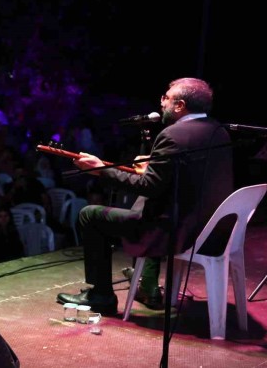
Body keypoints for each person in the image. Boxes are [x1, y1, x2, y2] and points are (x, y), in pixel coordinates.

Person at [56, 78, 234, 316]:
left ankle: (102, 296)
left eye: (166, 97)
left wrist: (102, 170)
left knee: (90, 215)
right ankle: (146, 285)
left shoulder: (173, 135)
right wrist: (152, 169)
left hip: (175, 229)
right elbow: (189, 177)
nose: (162, 102)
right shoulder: (218, 131)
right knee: (142, 205)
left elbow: (149, 187)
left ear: (180, 105)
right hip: (211, 227)